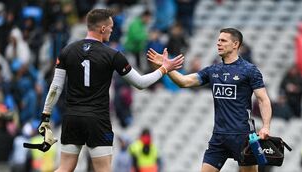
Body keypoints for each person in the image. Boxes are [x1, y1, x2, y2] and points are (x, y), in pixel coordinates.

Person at [36, 8, 184, 172]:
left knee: (64, 168)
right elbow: (140, 83)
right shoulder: (113, 55)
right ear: (103, 28)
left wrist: (45, 116)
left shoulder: (67, 51)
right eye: (111, 27)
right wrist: (164, 69)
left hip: (73, 117)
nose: (112, 30)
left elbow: (56, 87)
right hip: (98, 120)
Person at [147, 28, 272, 172]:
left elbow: (263, 100)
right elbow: (184, 82)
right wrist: (165, 67)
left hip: (242, 136)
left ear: (235, 44)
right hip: (219, 137)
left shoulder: (250, 70)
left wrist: (266, 126)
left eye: (223, 40)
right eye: (218, 40)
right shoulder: (213, 70)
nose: (218, 43)